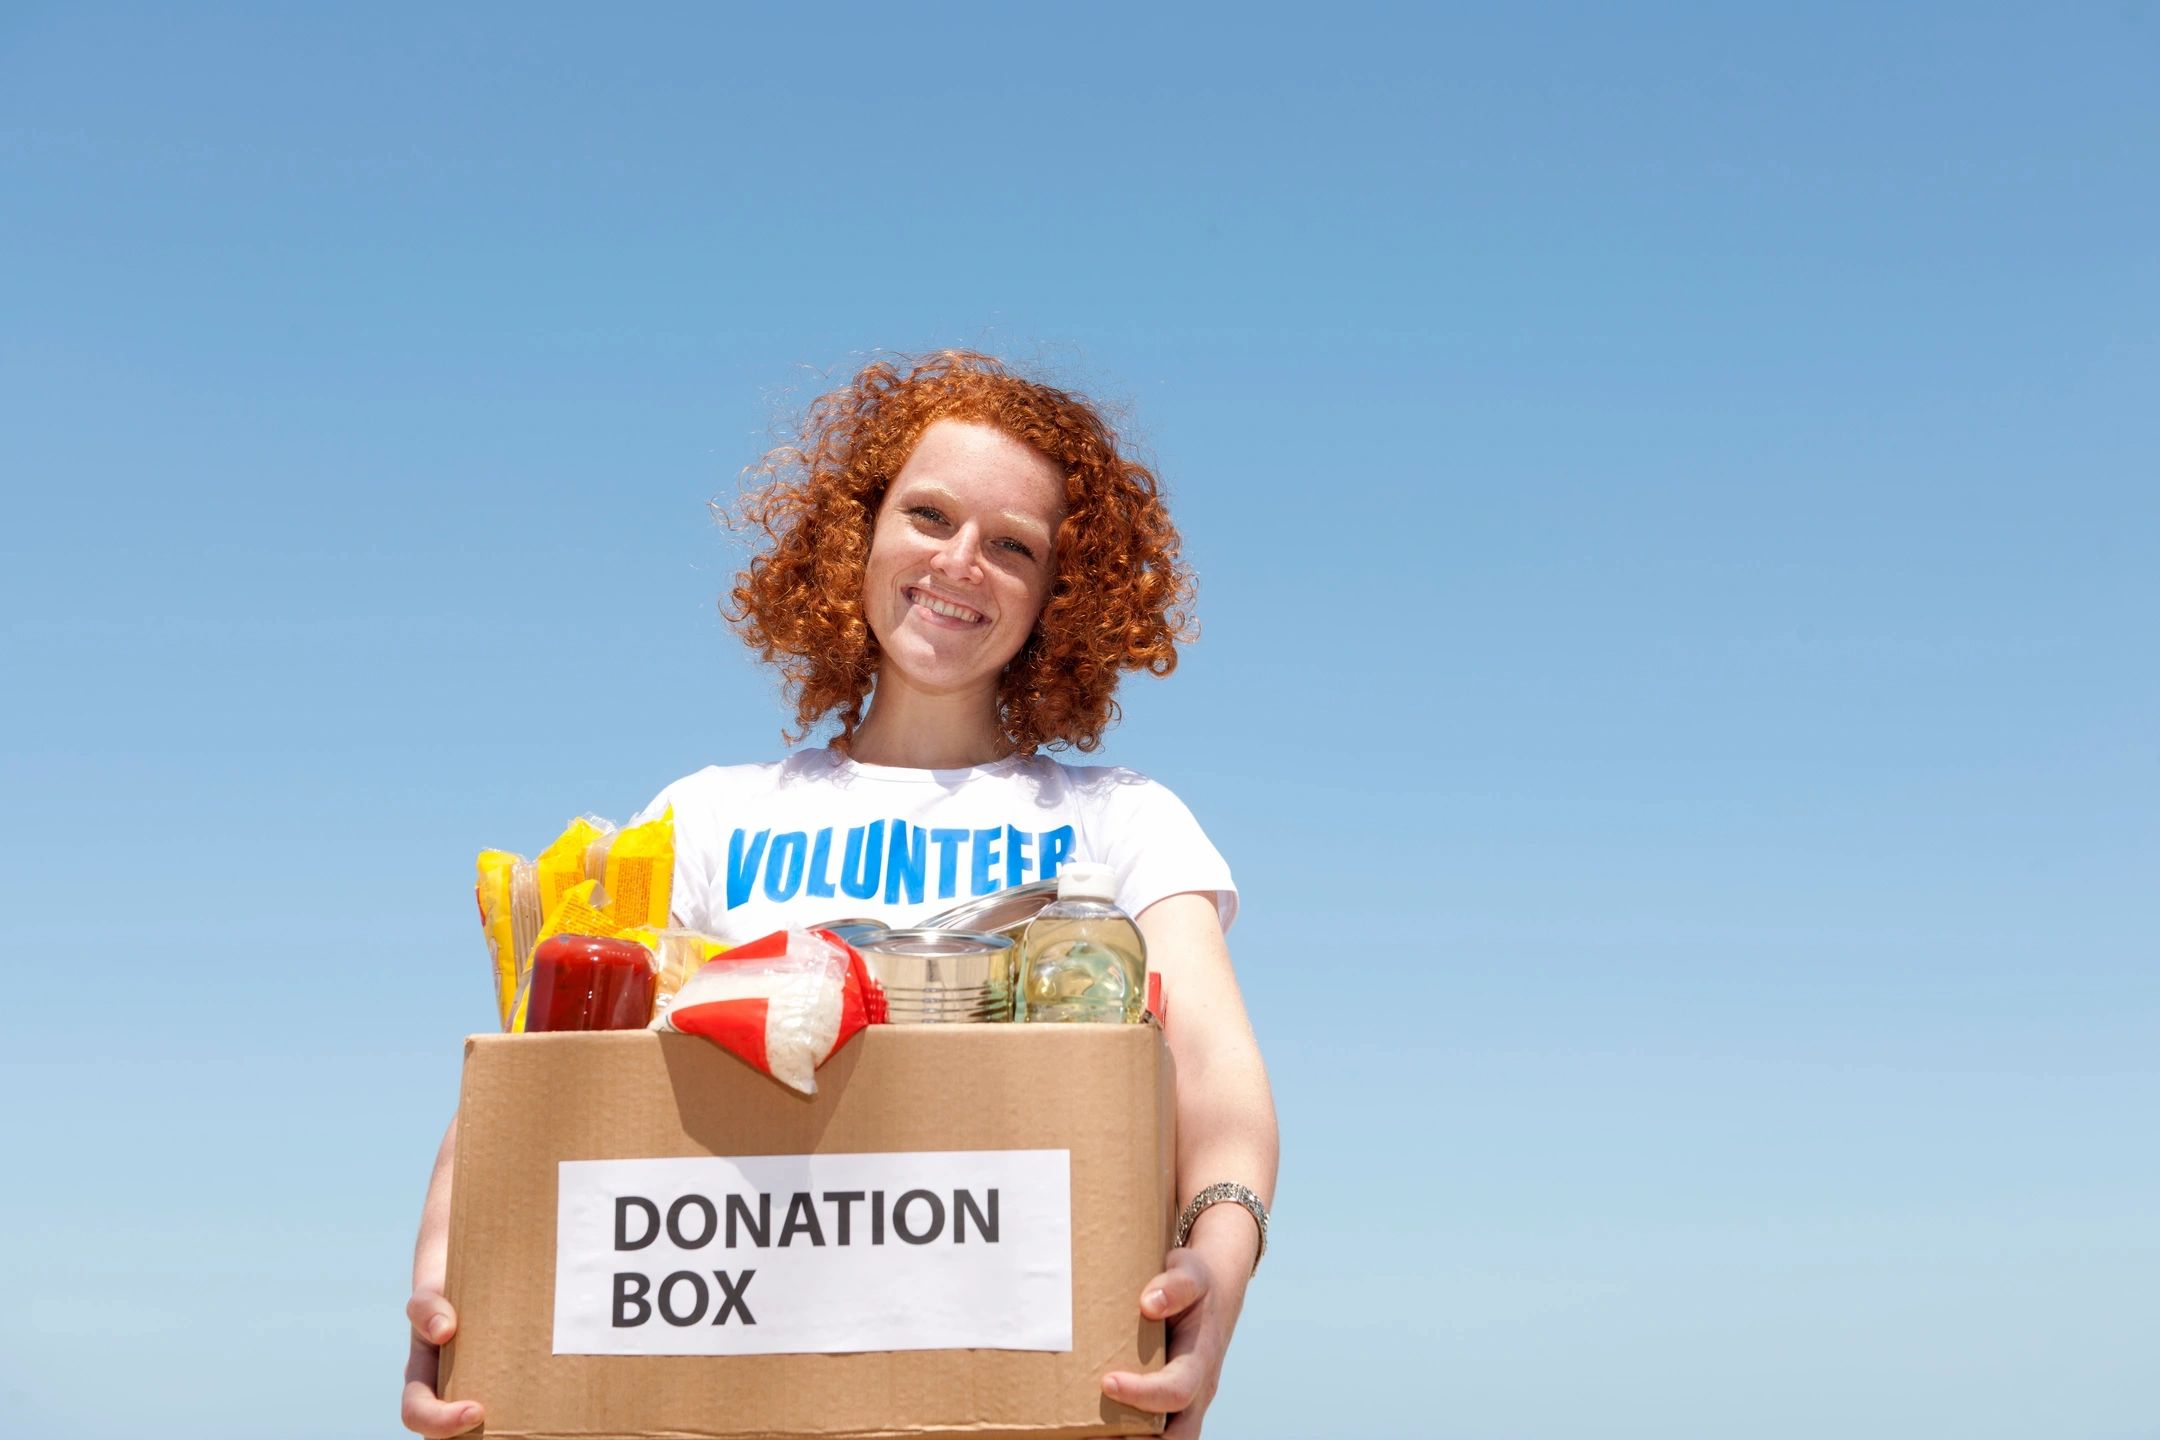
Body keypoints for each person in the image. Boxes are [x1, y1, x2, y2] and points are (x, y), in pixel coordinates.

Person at [402, 351, 1279, 1440]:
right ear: (856, 534)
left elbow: (1220, 1088)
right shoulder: (709, 817)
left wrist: (1219, 1260)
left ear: (1062, 595)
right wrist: (455, 1287)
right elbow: (545, 1070)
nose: (962, 561)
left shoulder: (1121, 822)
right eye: (928, 515)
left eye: (1014, 546)